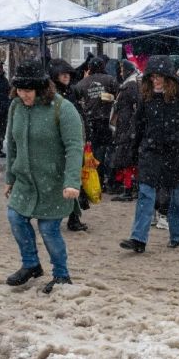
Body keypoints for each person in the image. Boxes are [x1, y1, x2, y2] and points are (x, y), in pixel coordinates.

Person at [4, 60, 83, 293]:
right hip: (25, 180)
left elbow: (74, 147)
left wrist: (71, 182)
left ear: (41, 88)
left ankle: (61, 274)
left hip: (54, 182)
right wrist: (10, 177)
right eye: (19, 90)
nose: (23, 95)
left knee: (49, 229)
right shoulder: (16, 107)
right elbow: (12, 144)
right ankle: (31, 264)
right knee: (15, 217)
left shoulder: (63, 108)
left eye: (28, 90)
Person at [119, 55, 179, 254]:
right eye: (152, 76)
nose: (155, 80)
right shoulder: (146, 95)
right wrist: (134, 149)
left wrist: (178, 136)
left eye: (159, 76)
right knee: (145, 194)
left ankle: (177, 235)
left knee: (177, 197)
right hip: (150, 151)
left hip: (176, 152)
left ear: (168, 76)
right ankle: (138, 239)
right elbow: (139, 124)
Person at [49, 59, 89, 232]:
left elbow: (80, 114)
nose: (66, 77)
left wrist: (86, 136)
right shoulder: (51, 93)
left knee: (73, 179)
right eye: (62, 74)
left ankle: (74, 217)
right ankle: (54, 216)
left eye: (68, 74)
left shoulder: (72, 90)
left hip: (74, 141)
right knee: (56, 181)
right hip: (57, 143)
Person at [74, 57, 119, 189]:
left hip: (90, 122)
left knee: (94, 151)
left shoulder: (83, 83)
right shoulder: (110, 79)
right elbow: (119, 94)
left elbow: (75, 97)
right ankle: (110, 180)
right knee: (110, 149)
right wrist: (110, 98)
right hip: (107, 120)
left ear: (89, 68)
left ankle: (97, 180)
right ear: (103, 66)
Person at [111, 59, 142, 203]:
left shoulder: (130, 86)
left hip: (127, 127)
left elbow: (136, 106)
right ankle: (131, 188)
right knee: (128, 159)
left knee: (127, 159)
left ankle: (128, 190)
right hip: (127, 126)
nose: (121, 73)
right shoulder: (130, 84)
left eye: (123, 70)